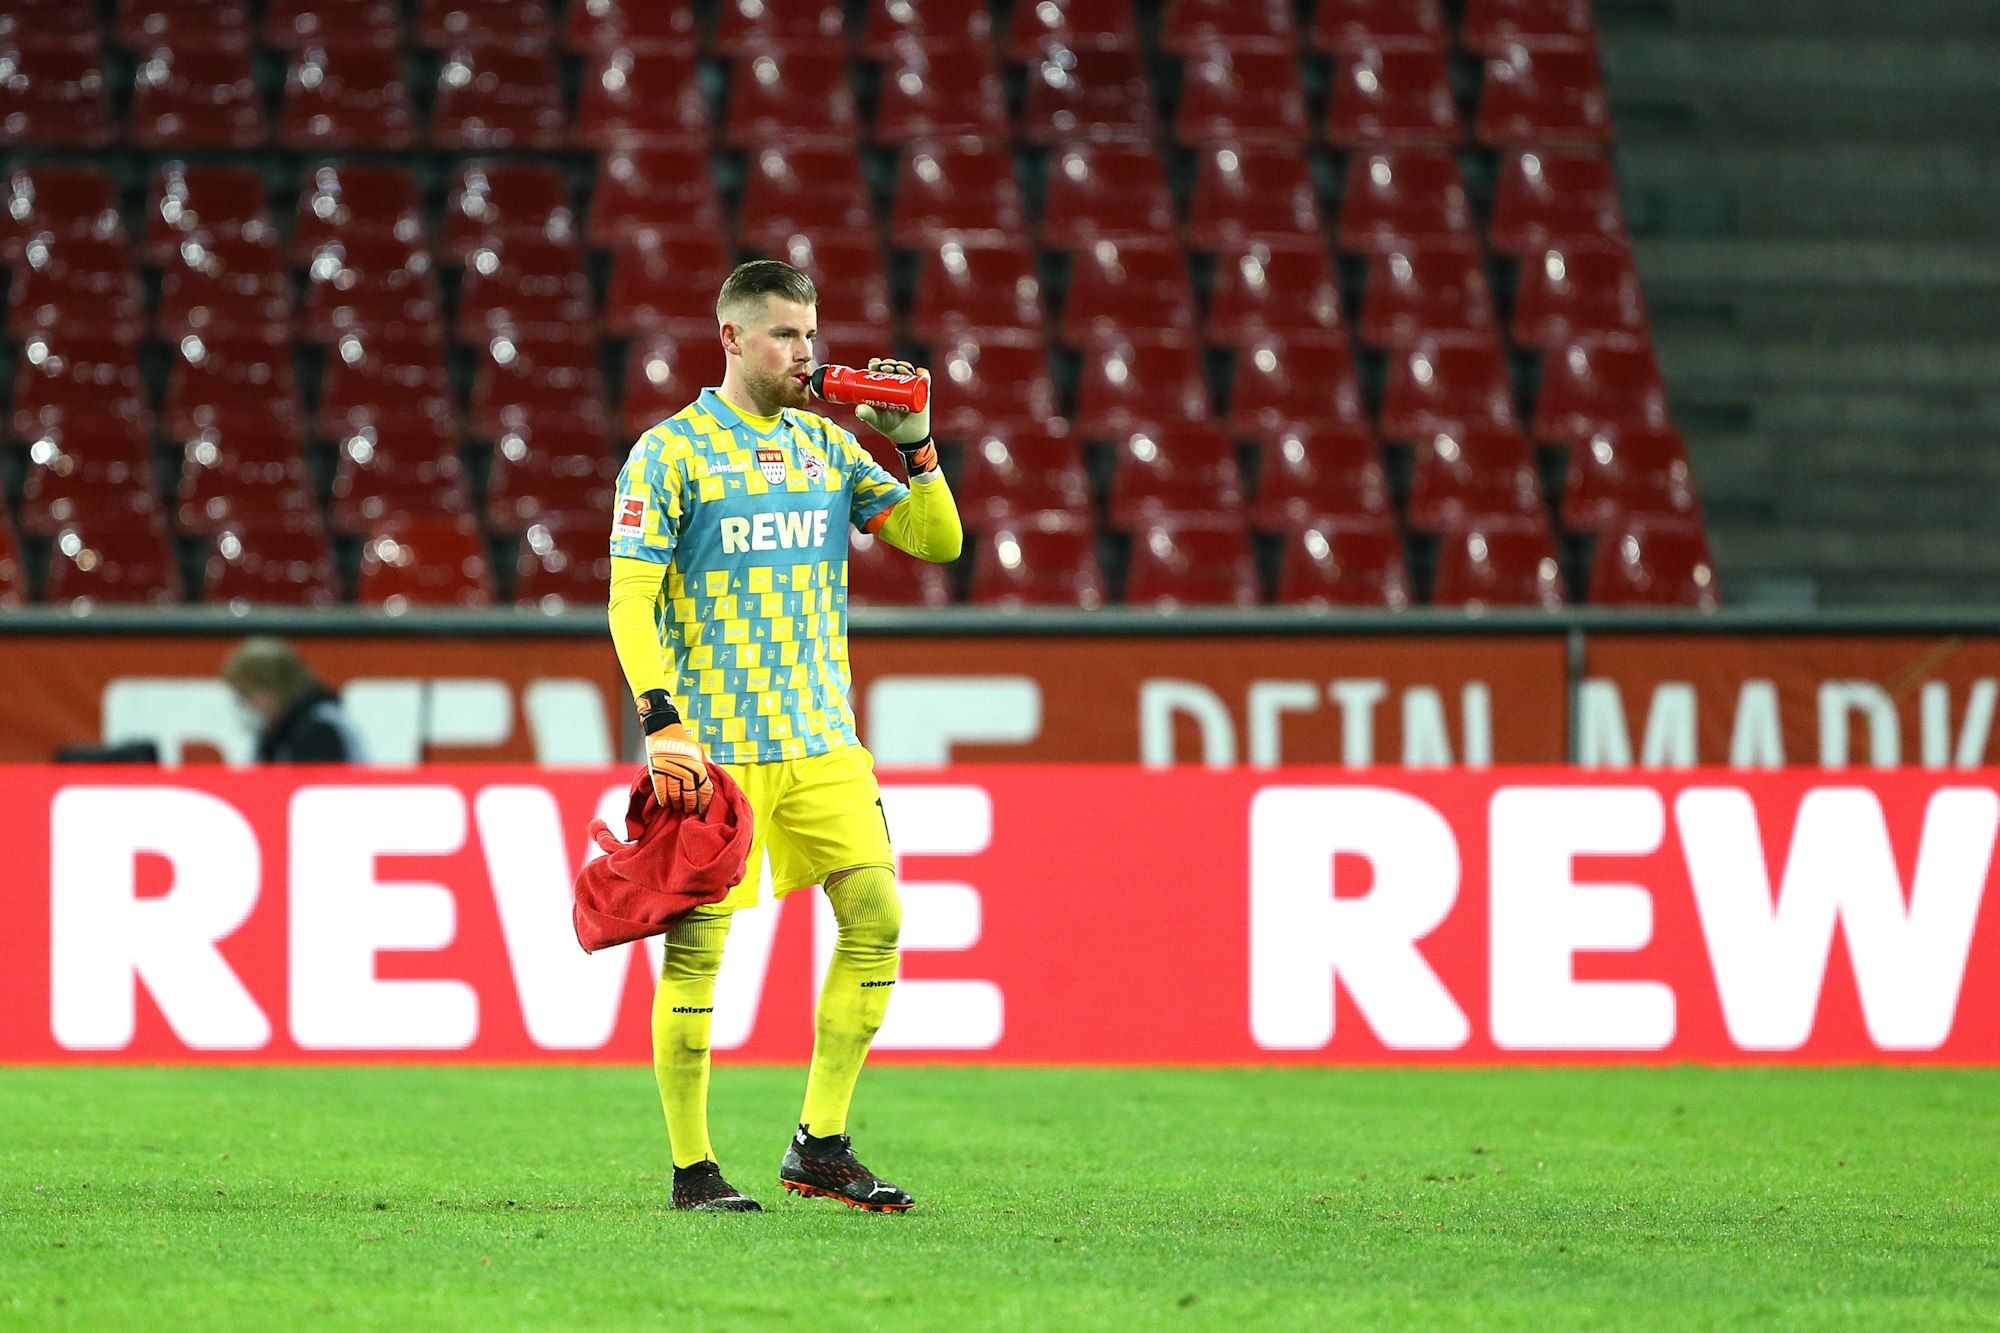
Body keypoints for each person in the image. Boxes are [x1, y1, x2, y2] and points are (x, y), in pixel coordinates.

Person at [606, 260, 961, 1213]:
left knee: (878, 919)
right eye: (785, 335)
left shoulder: (827, 447)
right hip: (716, 750)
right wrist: (661, 718)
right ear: (730, 338)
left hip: (822, 742)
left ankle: (822, 1143)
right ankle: (693, 1168)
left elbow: (938, 541)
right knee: (697, 955)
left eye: (812, 332)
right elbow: (630, 599)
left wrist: (917, 446)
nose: (807, 352)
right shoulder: (670, 454)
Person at [221, 637, 363, 763]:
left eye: (246, 695)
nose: (244, 705)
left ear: (273, 688)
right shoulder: (274, 735)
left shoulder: (321, 730)